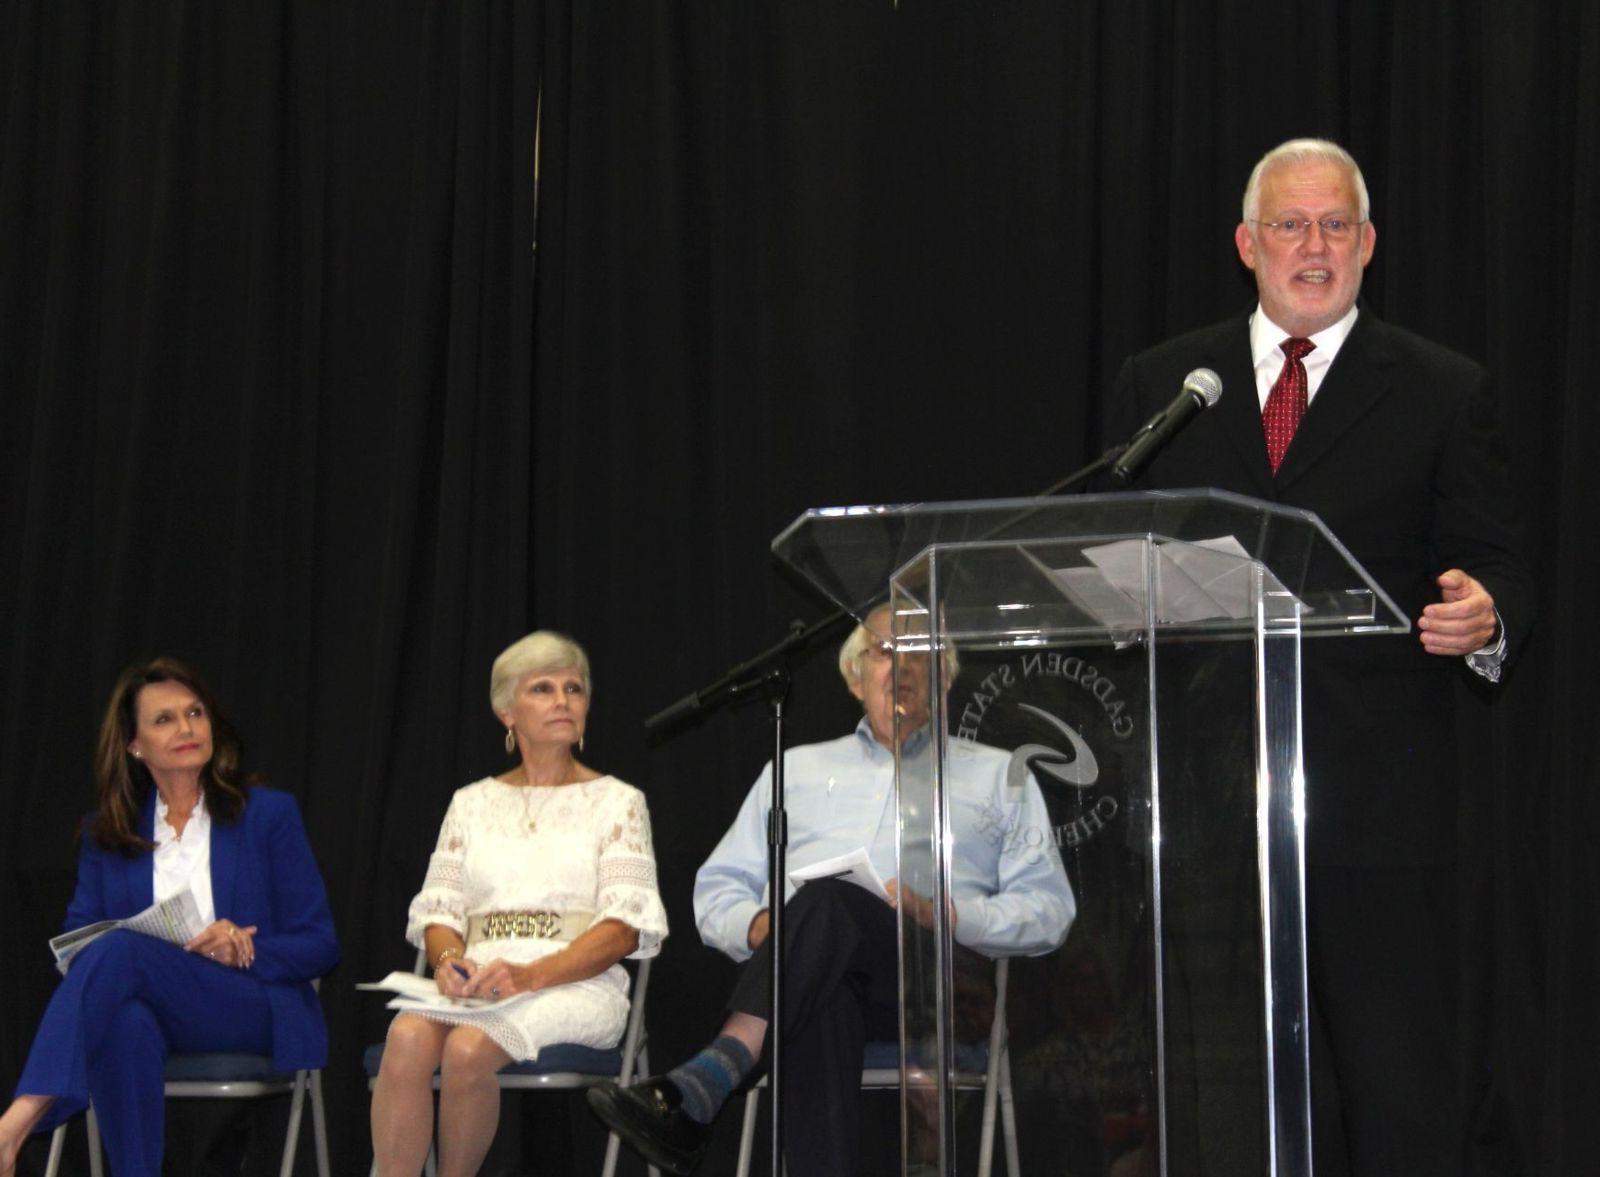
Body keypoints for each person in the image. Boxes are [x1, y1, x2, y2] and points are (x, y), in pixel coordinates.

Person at [1103, 138, 1534, 1175]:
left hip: (1377, 812)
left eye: (1335, 225)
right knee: (1225, 1103)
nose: (1313, 245)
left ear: (1368, 243)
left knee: (1394, 1095)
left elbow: (1493, 564)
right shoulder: (1167, 386)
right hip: (1205, 804)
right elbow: (1107, 548)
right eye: (1290, 225)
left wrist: (1487, 614)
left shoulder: (1440, 388)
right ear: (1247, 244)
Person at [589, 605, 1076, 1176]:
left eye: (921, 652)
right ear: (854, 677)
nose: (903, 666)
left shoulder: (999, 775)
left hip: (937, 983)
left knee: (825, 902)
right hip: (813, 977)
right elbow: (718, 888)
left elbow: (1050, 910)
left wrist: (948, 913)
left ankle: (713, 1074)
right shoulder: (793, 770)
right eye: (885, 651)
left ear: (944, 677)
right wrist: (762, 926)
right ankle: (719, 1070)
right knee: (823, 985)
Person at [0, 657, 339, 1177]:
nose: (186, 728)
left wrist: (243, 946)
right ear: (134, 745)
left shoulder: (267, 815)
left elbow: (320, 942)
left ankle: (16, 1121)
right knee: (125, 1022)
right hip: (156, 1009)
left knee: (122, 950)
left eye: (195, 713)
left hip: (247, 1003)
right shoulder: (107, 834)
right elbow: (76, 944)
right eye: (164, 719)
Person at [370, 630, 668, 1177]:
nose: (562, 700)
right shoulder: (470, 803)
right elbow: (439, 912)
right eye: (543, 689)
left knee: (466, 1050)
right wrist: (447, 962)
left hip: (576, 982)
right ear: (506, 711)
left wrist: (530, 976)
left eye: (573, 688)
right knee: (407, 1035)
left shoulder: (619, 802)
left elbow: (624, 929)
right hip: (481, 982)